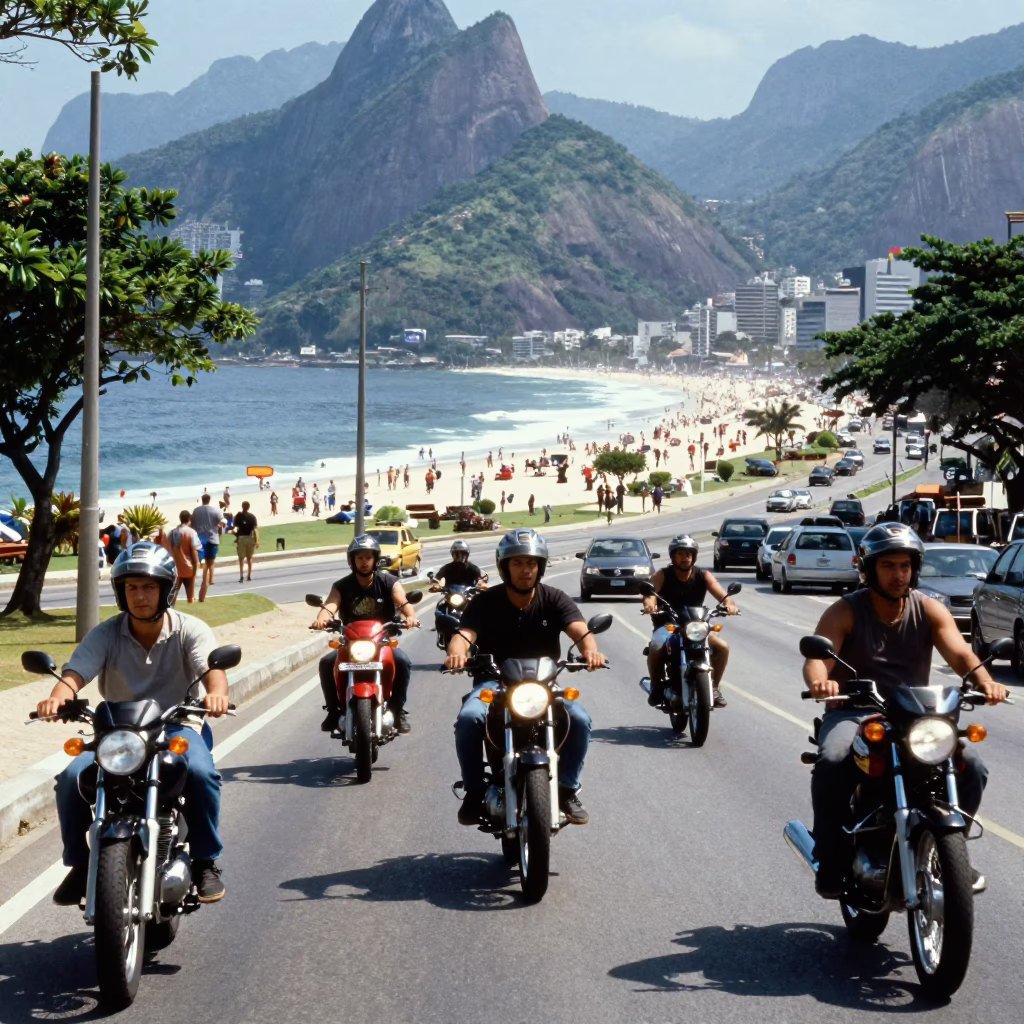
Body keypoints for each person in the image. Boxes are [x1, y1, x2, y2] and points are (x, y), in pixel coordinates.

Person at [803, 523, 1007, 899]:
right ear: (869, 569)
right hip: (855, 711)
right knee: (833, 760)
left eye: (905, 565)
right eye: (888, 566)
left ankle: (950, 854)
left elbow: (961, 653)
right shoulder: (846, 611)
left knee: (972, 765)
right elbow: (818, 658)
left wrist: (985, 681)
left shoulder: (928, 609)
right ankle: (831, 856)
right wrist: (821, 682)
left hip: (914, 716)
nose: (899, 575)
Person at [39, 543, 230, 906]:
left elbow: (212, 670)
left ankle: (205, 861)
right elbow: (75, 672)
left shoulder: (189, 628)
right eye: (131, 587)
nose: (140, 596)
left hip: (176, 726)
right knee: (70, 778)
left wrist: (216, 694)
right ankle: (80, 863)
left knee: (201, 774)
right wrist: (58, 697)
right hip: (118, 732)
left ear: (166, 589)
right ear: (120, 592)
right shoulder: (107, 633)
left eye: (148, 587)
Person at [445, 529, 607, 826]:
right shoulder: (485, 601)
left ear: (540, 566)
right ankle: (474, 790)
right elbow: (464, 634)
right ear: (505, 567)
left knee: (579, 719)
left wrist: (591, 651)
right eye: (517, 563)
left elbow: (579, 629)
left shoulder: (554, 598)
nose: (525, 570)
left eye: (531, 563)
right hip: (494, 681)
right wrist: (457, 653)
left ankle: (567, 789)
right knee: (468, 718)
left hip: (544, 684)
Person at [311, 535, 420, 735]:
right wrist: (322, 619)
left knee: (402, 661)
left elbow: (403, 602)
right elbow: (329, 606)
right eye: (359, 557)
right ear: (352, 560)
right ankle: (333, 711)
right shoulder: (342, 585)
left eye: (368, 557)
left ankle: (397, 710)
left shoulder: (388, 581)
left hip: (382, 641)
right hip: (350, 642)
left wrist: (410, 617)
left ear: (375, 559)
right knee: (326, 663)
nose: (364, 561)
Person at [642, 535, 737, 709]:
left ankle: (713, 688)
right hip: (668, 625)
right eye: (680, 553)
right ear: (673, 556)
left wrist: (729, 604)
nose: (685, 557)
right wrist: (650, 604)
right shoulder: (663, 574)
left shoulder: (703, 575)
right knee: (656, 647)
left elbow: (723, 595)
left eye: (689, 554)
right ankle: (656, 687)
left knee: (722, 647)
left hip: (695, 625)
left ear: (694, 556)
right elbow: (650, 594)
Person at [191, 493, 226, 602]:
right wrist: (220, 525)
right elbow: (223, 521)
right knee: (209, 565)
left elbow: (192, 526)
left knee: (202, 564)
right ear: (209, 500)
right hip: (212, 540)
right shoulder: (215, 510)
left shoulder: (196, 511)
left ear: (202, 500)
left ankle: (202, 586)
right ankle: (205, 585)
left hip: (200, 541)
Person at [168, 510, 201, 604]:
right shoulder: (191, 532)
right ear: (189, 519)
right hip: (188, 567)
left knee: (173, 592)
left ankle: (170, 607)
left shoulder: (173, 532)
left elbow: (169, 547)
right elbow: (194, 550)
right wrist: (196, 564)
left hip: (175, 567)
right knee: (191, 595)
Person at [233, 501, 259, 582]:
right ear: (249, 507)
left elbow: (235, 528)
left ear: (242, 506)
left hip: (241, 538)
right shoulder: (252, 517)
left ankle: (241, 575)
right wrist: (257, 541)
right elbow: (255, 530)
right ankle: (249, 575)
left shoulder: (238, 516)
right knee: (249, 558)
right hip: (250, 538)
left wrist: (236, 537)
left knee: (241, 558)